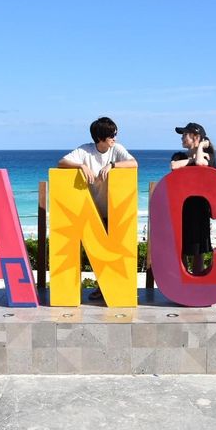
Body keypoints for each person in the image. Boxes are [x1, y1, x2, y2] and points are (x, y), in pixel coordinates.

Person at [58, 117, 137, 300]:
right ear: (101, 138)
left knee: (113, 252)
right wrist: (81, 165)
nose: (115, 138)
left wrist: (112, 165)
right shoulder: (85, 150)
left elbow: (134, 163)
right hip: (91, 211)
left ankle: (111, 288)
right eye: (111, 135)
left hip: (112, 212)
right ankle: (102, 287)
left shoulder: (116, 149)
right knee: (96, 253)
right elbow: (61, 162)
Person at [170, 122, 216, 275]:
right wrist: (191, 159)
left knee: (198, 251)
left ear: (196, 137)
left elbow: (200, 163)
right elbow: (174, 166)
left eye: (185, 135)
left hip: (200, 209)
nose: (182, 138)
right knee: (181, 248)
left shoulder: (208, 156)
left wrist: (201, 147)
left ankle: (197, 282)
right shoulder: (179, 156)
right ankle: (183, 281)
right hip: (181, 208)